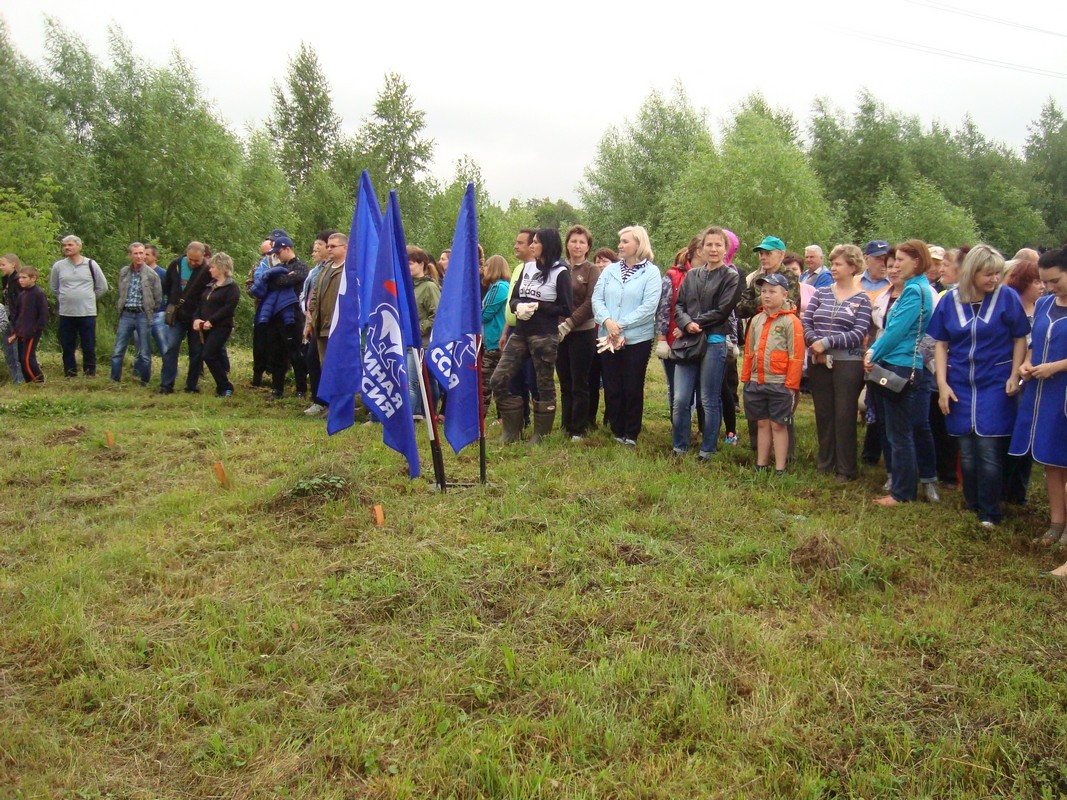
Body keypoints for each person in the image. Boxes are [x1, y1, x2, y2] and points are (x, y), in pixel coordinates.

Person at [929, 244, 1029, 528]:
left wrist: (1013, 375)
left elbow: (1020, 336)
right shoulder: (949, 301)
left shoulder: (1006, 298)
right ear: (972, 272)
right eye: (988, 274)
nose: (994, 279)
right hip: (960, 382)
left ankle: (990, 511)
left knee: (988, 450)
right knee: (968, 452)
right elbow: (941, 343)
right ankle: (971, 504)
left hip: (994, 382)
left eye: (997, 274)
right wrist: (942, 383)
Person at [864, 240, 935, 506]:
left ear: (916, 262)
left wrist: (873, 353)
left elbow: (895, 331)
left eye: (902, 260)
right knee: (896, 430)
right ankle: (902, 487)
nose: (895, 266)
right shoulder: (918, 288)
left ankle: (903, 493)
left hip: (901, 364)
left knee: (900, 433)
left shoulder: (915, 291)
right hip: (898, 361)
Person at [1010, 247, 1067, 556]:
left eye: (1055, 280)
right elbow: (1034, 342)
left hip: (1064, 392)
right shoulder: (1044, 305)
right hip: (1042, 395)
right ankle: (1056, 523)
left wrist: (1055, 367)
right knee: (1050, 461)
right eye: (1044, 282)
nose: (1048, 287)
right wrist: (1027, 363)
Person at [490, 229, 572, 443]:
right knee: (498, 379)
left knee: (543, 384)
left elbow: (566, 307)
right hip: (521, 332)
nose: (532, 245)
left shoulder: (560, 271)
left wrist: (538, 307)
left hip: (544, 335)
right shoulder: (527, 267)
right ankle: (512, 430)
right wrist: (519, 307)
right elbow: (513, 298)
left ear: (547, 244)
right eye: (532, 242)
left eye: (536, 242)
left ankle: (540, 434)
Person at [803, 243, 872, 482]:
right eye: (831, 263)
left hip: (847, 363)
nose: (833, 267)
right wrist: (816, 345)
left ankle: (846, 468)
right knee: (824, 414)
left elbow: (859, 332)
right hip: (818, 360)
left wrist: (827, 343)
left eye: (838, 264)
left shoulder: (862, 299)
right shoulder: (821, 293)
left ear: (852, 267)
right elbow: (807, 323)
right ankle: (825, 463)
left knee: (844, 415)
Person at [670, 226, 741, 459]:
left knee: (708, 399)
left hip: (713, 342)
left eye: (718, 244)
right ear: (701, 248)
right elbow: (679, 306)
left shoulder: (731, 276)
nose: (713, 249)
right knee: (680, 399)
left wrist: (694, 324)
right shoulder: (692, 276)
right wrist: (686, 323)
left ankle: (707, 449)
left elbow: (722, 310)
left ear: (725, 249)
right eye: (709, 244)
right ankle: (679, 446)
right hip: (689, 343)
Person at [591, 226, 660, 446]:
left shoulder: (651, 272)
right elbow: (597, 299)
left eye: (625, 241)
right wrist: (607, 322)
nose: (620, 245)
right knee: (612, 385)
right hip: (607, 336)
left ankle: (631, 433)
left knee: (632, 385)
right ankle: (617, 429)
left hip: (636, 338)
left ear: (639, 244)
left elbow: (649, 306)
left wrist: (620, 325)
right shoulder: (610, 270)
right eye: (619, 241)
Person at [741, 273, 804, 473]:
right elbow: (749, 351)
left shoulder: (791, 321)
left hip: (780, 382)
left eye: (772, 291)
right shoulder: (757, 319)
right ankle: (761, 463)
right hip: (757, 380)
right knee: (762, 423)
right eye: (764, 291)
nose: (767, 296)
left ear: (785, 294)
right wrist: (746, 378)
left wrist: (791, 385)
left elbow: (796, 355)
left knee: (779, 425)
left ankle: (780, 466)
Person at [556, 225, 601, 440]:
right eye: (574, 241)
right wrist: (558, 324)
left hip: (582, 332)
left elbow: (591, 301)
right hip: (559, 333)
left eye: (582, 242)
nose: (577, 245)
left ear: (588, 247)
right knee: (564, 380)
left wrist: (570, 323)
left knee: (579, 381)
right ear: (567, 244)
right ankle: (565, 424)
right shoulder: (559, 268)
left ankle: (579, 428)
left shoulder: (592, 270)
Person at [252, 236, 309, 399]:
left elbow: (287, 280)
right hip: (275, 316)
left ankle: (301, 389)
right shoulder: (277, 267)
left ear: (287, 249)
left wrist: (277, 278)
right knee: (276, 353)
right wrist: (276, 278)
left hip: (294, 316)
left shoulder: (301, 266)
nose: (275, 256)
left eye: (278, 252)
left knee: (295, 353)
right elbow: (265, 283)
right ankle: (277, 390)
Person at [655, 240, 703, 428]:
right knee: (676, 389)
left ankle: (698, 427)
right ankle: (679, 427)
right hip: (674, 342)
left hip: (701, 340)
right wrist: (661, 338)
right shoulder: (672, 276)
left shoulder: (714, 274)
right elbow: (664, 308)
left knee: (700, 390)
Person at [49, 234, 108, 377]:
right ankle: (70, 374)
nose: (67, 248)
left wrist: (88, 298)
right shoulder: (59, 266)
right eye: (64, 245)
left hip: (87, 313)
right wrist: (65, 298)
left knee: (88, 346)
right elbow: (54, 288)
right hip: (66, 313)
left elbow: (102, 286)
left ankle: (89, 374)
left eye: (70, 245)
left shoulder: (90, 264)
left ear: (79, 247)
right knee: (67, 346)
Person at [161, 241, 213, 394]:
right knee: (171, 348)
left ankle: (191, 385)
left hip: (196, 317)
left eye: (196, 260)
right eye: (190, 259)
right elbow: (167, 287)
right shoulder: (175, 265)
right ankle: (166, 384)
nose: (193, 263)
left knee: (196, 352)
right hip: (177, 315)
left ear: (204, 257)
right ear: (186, 254)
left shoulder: (207, 271)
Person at [302, 232, 345, 417]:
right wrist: (311, 320)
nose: (329, 249)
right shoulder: (325, 269)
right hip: (321, 327)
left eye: (333, 246)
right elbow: (314, 296)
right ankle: (324, 402)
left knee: (338, 367)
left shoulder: (349, 271)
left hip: (339, 327)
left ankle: (339, 407)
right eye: (328, 246)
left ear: (345, 248)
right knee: (318, 363)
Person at [111, 242, 162, 385]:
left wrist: (149, 311)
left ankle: (144, 381)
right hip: (126, 314)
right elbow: (121, 292)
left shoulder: (152, 275)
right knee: (118, 349)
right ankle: (114, 380)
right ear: (130, 255)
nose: (139, 256)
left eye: (142, 253)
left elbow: (158, 298)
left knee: (144, 351)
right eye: (136, 253)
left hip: (143, 315)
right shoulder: (124, 272)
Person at [190, 252, 241, 397]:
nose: (210, 269)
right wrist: (196, 319)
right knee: (214, 355)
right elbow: (200, 305)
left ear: (221, 267)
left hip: (221, 327)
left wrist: (211, 321)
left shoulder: (232, 288)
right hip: (204, 326)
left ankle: (226, 386)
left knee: (208, 354)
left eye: (212, 267)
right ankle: (221, 387)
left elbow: (228, 309)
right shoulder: (209, 286)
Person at [408, 246, 442, 419]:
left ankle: (414, 415)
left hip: (423, 343)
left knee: (413, 382)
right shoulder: (406, 287)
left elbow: (437, 315)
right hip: (409, 342)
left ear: (422, 264)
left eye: (411, 262)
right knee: (427, 381)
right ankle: (428, 414)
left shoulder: (429, 287)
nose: (407, 266)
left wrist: (417, 329)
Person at [737, 236, 801, 318]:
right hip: (758, 327)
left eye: (768, 253)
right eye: (761, 254)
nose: (763, 258)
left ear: (781, 255)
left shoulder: (790, 278)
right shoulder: (758, 279)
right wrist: (762, 300)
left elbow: (787, 306)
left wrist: (757, 303)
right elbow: (740, 309)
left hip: (782, 328)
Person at [479, 255, 511, 419]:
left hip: (497, 343)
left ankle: (482, 418)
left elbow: (485, 315)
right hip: (493, 342)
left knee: (488, 381)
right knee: (496, 381)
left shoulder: (499, 288)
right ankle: (500, 416)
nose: (483, 270)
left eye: (485, 266)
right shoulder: (498, 287)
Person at [588, 247, 616, 428]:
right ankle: (589, 418)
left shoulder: (615, 283)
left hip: (609, 334)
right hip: (590, 334)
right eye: (597, 261)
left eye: (604, 261)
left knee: (610, 378)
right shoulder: (591, 279)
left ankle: (610, 417)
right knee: (591, 378)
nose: (600, 264)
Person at [8, 266, 48, 383]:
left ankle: (38, 381)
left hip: (32, 332)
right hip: (21, 332)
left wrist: (36, 329)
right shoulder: (22, 294)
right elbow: (18, 314)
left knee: (27, 358)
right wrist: (15, 332)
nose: (21, 280)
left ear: (33, 278)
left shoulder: (38, 293)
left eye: (24, 278)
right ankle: (29, 382)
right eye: (20, 278)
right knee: (21, 359)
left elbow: (43, 314)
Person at [0, 254, 24, 383]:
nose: (1, 267)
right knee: (8, 350)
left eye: (3, 264)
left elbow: (21, 301)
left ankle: (20, 380)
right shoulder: (5, 279)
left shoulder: (19, 280)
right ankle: (15, 379)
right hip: (6, 316)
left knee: (16, 351)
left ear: (13, 264)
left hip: (17, 318)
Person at [144, 245, 170, 359]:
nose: (144, 257)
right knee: (141, 347)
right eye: (143, 254)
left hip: (159, 314)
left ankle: (169, 372)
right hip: (142, 315)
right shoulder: (139, 272)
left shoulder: (162, 273)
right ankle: (139, 373)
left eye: (147, 254)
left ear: (155, 256)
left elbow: (169, 292)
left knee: (164, 346)